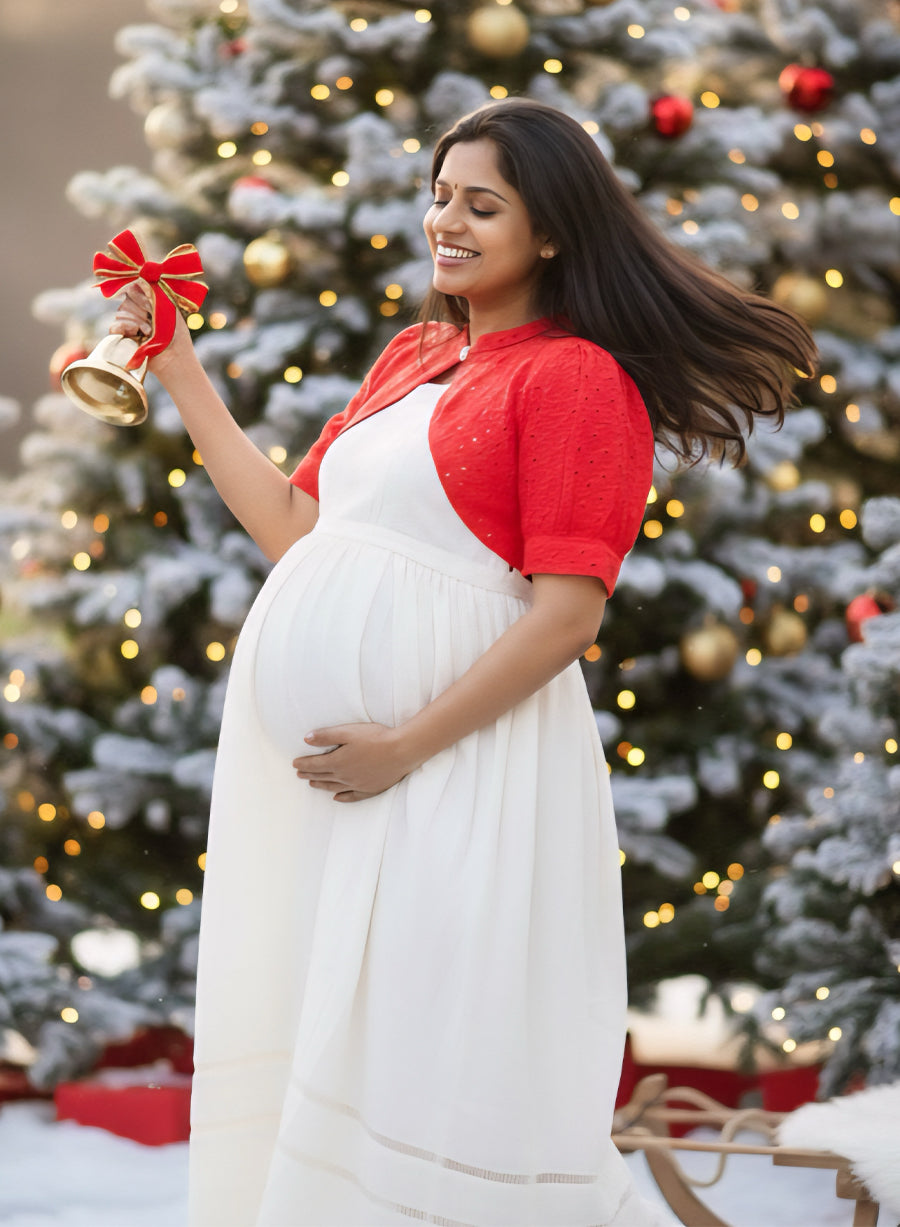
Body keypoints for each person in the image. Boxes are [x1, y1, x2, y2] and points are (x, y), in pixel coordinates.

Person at [112, 98, 816, 1226]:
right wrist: (182, 370)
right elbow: (300, 526)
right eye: (441, 195)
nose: (447, 221)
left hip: (454, 772)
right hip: (335, 793)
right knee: (322, 1031)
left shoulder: (576, 379)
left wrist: (403, 744)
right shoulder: (416, 353)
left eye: (482, 205)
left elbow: (566, 617)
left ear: (551, 232)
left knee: (422, 1051)